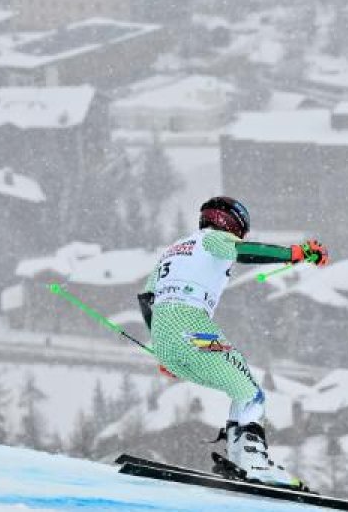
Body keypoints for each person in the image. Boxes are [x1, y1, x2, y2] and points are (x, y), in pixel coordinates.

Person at [138, 196, 329, 489]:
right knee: (250, 392)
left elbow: (147, 296)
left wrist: (164, 350)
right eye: (241, 230)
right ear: (231, 223)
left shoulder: (174, 249)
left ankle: (243, 455)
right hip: (190, 324)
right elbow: (246, 251)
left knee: (238, 373)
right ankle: (252, 460)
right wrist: (296, 252)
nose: (240, 236)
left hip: (165, 333)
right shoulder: (214, 239)